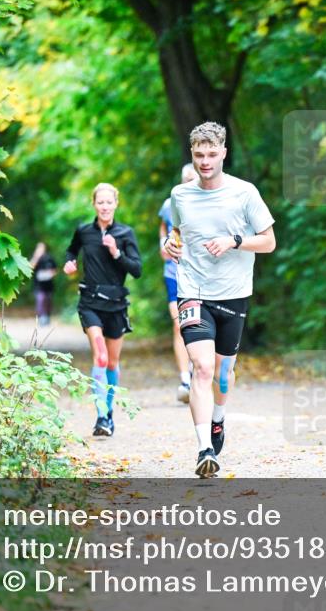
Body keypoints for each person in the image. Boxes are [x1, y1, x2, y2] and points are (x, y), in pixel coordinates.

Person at [163, 122, 276, 478]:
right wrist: (171, 244)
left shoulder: (245, 193)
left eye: (212, 154)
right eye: (199, 155)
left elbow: (269, 241)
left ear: (224, 153)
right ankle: (204, 450)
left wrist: (234, 241)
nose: (205, 161)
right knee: (203, 367)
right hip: (193, 289)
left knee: (224, 375)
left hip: (233, 292)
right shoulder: (180, 195)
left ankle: (218, 418)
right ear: (192, 155)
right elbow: (178, 232)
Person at [63, 183, 142, 437]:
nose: (105, 206)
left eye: (109, 202)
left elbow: (137, 270)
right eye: (101, 202)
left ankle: (109, 413)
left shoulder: (125, 233)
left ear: (116, 204)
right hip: (90, 302)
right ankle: (101, 417)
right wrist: (69, 262)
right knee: (100, 356)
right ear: (94, 204)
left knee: (113, 362)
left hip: (117, 305)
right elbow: (71, 250)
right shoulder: (84, 231)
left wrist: (116, 252)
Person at [159, 164, 199, 404]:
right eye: (188, 179)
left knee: (198, 324)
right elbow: (162, 235)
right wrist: (164, 246)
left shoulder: (209, 204)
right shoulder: (168, 205)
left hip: (202, 276)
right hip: (174, 273)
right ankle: (185, 378)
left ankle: (199, 374)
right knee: (179, 325)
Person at [29, 242, 57, 327]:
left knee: (48, 301)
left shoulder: (49, 258)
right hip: (38, 285)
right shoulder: (35, 258)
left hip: (48, 285)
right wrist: (36, 257)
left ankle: (47, 317)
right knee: (40, 300)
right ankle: (41, 318)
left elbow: (55, 270)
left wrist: (50, 274)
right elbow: (30, 267)